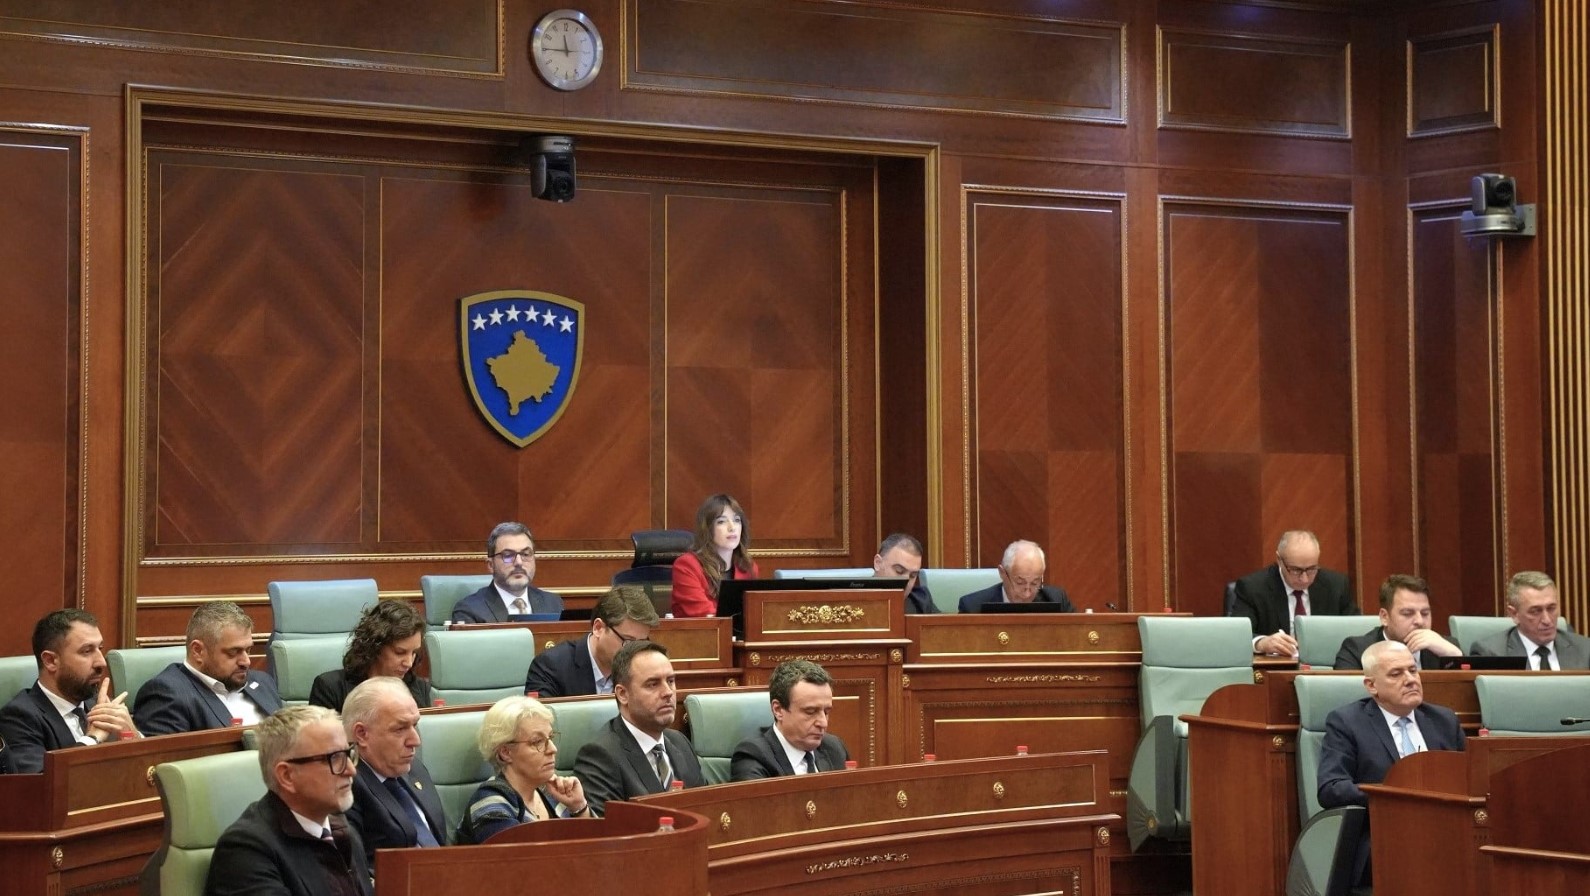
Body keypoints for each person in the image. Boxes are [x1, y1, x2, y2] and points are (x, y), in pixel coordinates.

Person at [1317, 639, 1464, 887]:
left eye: (1413, 670)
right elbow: (1331, 787)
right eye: (1396, 674)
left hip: (1446, 830)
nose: (1410, 680)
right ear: (1371, 685)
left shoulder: (1444, 720)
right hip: (1384, 835)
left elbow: (1469, 778)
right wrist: (1394, 796)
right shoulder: (1347, 722)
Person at [204, 705, 371, 896]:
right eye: (334, 758)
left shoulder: (342, 830)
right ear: (287, 776)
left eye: (348, 754)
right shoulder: (245, 852)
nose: (351, 770)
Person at [571, 640, 704, 815]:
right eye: (653, 684)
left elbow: (707, 808)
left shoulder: (680, 742)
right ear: (623, 694)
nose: (668, 692)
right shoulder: (600, 756)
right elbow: (606, 829)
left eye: (670, 681)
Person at [0, 610, 139, 774]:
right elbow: (42, 784)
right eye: (87, 651)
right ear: (51, 661)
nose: (101, 662)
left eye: (100, 648)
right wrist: (92, 739)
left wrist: (134, 736)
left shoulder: (98, 701)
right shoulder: (19, 717)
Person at [455, 695, 591, 844]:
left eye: (550, 737)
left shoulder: (552, 792)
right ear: (506, 753)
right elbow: (525, 858)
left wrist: (578, 807)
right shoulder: (490, 805)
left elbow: (595, 849)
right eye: (537, 742)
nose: (553, 749)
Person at [133, 601, 282, 735]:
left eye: (248, 650)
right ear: (198, 651)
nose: (246, 662)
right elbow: (165, 755)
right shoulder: (167, 694)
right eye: (233, 652)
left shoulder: (262, 682)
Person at [342, 677, 446, 865]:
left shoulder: (414, 768)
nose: (415, 741)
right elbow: (357, 870)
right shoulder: (344, 786)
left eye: (415, 725)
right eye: (400, 729)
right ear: (362, 734)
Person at [1234, 530, 1357, 656]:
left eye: (1311, 569)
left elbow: (1356, 631)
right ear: (1279, 560)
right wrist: (1261, 643)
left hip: (1324, 663)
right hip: (1275, 664)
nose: (1304, 579)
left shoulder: (1336, 586)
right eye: (1295, 570)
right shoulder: (1253, 588)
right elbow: (1237, 635)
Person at [524, 584, 658, 698]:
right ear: (598, 628)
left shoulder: (643, 668)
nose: (634, 652)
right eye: (628, 641)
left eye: (641, 643)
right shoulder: (550, 666)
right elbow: (537, 719)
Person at [730, 659, 849, 781]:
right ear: (778, 710)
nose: (823, 723)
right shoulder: (753, 756)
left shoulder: (834, 748)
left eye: (826, 712)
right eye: (810, 712)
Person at [309, 601, 434, 712]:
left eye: (414, 653)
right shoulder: (330, 688)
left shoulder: (419, 688)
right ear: (376, 647)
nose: (409, 663)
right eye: (400, 652)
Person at [1332, 574, 1460, 670]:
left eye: (1425, 613)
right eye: (1408, 613)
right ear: (1384, 617)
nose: (1420, 621)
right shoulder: (1356, 651)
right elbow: (1346, 694)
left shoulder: (1445, 647)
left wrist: (1455, 656)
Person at [1470, 570, 1590, 669]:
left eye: (1551, 608)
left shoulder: (1585, 650)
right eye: (1535, 611)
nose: (1547, 620)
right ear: (1514, 614)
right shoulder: (1492, 654)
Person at [451, 522, 564, 623]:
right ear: (491, 565)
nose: (519, 562)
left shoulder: (552, 603)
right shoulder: (470, 611)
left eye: (525, 554)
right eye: (508, 555)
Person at [670, 494, 760, 617]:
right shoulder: (687, 566)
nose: (732, 527)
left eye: (737, 520)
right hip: (701, 629)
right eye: (721, 521)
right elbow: (703, 613)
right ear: (707, 528)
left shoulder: (747, 567)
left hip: (736, 629)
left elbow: (753, 612)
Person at [957, 540, 1075, 613]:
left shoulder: (1056, 600)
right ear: (1002, 573)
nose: (1027, 594)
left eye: (1035, 583)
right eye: (1020, 583)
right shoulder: (973, 607)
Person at [873, 533, 938, 614]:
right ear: (878, 563)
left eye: (912, 575)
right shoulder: (858, 599)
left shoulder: (921, 602)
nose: (907, 582)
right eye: (899, 571)